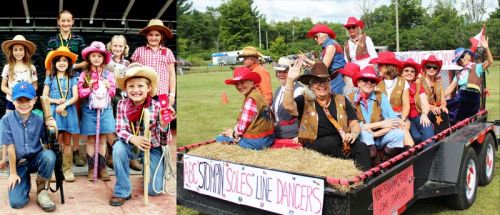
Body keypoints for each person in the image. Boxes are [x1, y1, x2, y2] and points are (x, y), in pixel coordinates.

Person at [283, 61, 371, 171]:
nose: (322, 85)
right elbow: (288, 106)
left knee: (361, 147)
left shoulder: (342, 99)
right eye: (317, 82)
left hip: (341, 142)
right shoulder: (304, 100)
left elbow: (354, 124)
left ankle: (367, 181)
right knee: (330, 142)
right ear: (311, 86)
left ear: (330, 83)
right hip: (315, 142)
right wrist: (290, 80)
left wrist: (353, 134)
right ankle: (345, 170)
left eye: (325, 81)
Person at [110, 63, 174, 206]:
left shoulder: (158, 107)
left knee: (154, 190)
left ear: (149, 88)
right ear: (126, 89)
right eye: (131, 86)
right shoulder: (122, 104)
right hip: (131, 145)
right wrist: (133, 138)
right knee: (118, 149)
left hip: (153, 147)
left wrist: (164, 124)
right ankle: (122, 191)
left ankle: (149, 172)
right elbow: (120, 130)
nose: (136, 90)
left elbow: (164, 141)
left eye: (140, 86)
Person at [2, 82, 58, 211]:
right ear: (13, 101)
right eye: (19, 100)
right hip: (19, 163)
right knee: (17, 203)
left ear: (34, 100)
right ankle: (24, 182)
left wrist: (54, 129)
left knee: (49, 156)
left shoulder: (39, 119)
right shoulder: (6, 120)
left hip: (35, 159)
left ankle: (42, 191)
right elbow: (10, 146)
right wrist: (13, 173)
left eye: (27, 100)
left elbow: (48, 143)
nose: (24, 104)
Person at [46, 9, 87, 167]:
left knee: (73, 118)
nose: (66, 23)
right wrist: (49, 79)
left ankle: (75, 150)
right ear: (58, 22)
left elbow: (86, 62)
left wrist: (71, 65)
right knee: (58, 123)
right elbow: (50, 63)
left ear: (73, 22)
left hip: (73, 80)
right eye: (63, 20)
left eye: (69, 20)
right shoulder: (52, 40)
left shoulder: (78, 39)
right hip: (57, 80)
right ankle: (59, 154)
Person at [346, 66, 405, 164]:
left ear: (375, 85)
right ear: (359, 83)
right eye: (365, 80)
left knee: (399, 134)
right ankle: (373, 162)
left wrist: (375, 134)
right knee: (365, 134)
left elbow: (393, 122)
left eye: (372, 81)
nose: (369, 83)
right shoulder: (349, 99)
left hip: (379, 136)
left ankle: (384, 159)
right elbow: (351, 126)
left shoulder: (381, 96)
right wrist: (380, 124)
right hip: (361, 138)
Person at [77, 41, 116, 181]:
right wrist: (90, 88)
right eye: (93, 55)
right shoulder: (84, 75)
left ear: (104, 58)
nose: (96, 58)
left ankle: (102, 167)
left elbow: (113, 93)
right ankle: (91, 167)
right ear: (89, 57)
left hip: (105, 110)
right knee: (91, 139)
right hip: (89, 110)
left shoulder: (108, 75)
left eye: (99, 56)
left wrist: (107, 87)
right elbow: (80, 93)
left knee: (103, 139)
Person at [42, 46, 80, 182]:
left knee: (67, 142)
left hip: (68, 112)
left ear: (69, 63)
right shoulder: (50, 78)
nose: (62, 63)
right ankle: (54, 170)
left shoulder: (73, 78)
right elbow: (44, 97)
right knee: (55, 142)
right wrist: (55, 100)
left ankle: (67, 170)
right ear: (54, 63)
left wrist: (64, 104)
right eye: (59, 60)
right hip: (54, 114)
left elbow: (76, 96)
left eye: (65, 60)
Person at [217, 67, 275, 150]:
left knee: (219, 138)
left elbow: (241, 128)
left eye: (242, 82)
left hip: (257, 141)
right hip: (269, 137)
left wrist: (232, 133)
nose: (239, 86)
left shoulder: (251, 99)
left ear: (252, 82)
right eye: (237, 84)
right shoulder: (258, 95)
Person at [445, 36, 493, 124]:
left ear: (468, 56)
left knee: (466, 118)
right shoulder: (458, 73)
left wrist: (486, 48)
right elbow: (450, 88)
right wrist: (440, 98)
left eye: (462, 56)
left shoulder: (477, 67)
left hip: (472, 99)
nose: (461, 60)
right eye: (459, 59)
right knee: (446, 107)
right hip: (461, 99)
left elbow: (490, 61)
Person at [371, 51, 414, 147]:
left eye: (381, 65)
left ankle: (408, 156)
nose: (378, 67)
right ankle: (411, 156)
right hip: (381, 118)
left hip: (399, 116)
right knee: (403, 129)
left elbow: (406, 104)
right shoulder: (375, 82)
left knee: (404, 126)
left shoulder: (402, 81)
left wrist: (402, 119)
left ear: (389, 66)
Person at [130, 19, 176, 106]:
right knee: (143, 118)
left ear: (161, 36)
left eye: (157, 35)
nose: (153, 38)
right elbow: (132, 73)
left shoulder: (168, 51)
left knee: (162, 118)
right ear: (146, 36)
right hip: (143, 93)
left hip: (162, 93)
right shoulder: (139, 51)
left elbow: (172, 74)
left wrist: (172, 94)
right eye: (150, 35)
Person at [302, 24, 347, 94]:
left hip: (337, 77)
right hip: (335, 76)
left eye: (316, 36)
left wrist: (306, 59)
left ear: (323, 35)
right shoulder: (329, 45)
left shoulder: (330, 46)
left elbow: (323, 66)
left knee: (337, 99)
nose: (315, 39)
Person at [271, 57, 303, 148]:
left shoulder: (299, 90)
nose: (281, 74)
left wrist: (301, 134)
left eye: (285, 72)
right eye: (279, 72)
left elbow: (305, 115)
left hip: (292, 132)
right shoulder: (278, 90)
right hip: (279, 130)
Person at [1, 35, 38, 113]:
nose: (18, 52)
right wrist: (14, 93)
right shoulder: (7, 67)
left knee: (25, 123)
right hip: (11, 101)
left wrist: (26, 93)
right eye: (15, 50)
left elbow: (35, 86)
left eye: (21, 49)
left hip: (26, 102)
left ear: (25, 51)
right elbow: (3, 86)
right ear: (12, 51)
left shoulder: (32, 68)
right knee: (10, 122)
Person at [401, 58, 433, 144]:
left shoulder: (418, 85)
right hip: (404, 118)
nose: (409, 73)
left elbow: (425, 103)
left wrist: (424, 114)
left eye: (412, 71)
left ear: (415, 74)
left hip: (417, 116)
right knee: (416, 137)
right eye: (406, 70)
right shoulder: (397, 85)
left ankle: (430, 154)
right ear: (401, 72)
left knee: (427, 125)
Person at [419, 55, 449, 132]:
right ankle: (439, 141)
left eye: (434, 67)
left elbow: (443, 99)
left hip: (438, 109)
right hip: (425, 110)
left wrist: (443, 106)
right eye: (429, 67)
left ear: (437, 70)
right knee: (438, 115)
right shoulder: (419, 81)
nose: (432, 69)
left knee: (444, 113)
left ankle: (444, 139)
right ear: (425, 69)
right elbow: (418, 101)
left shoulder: (439, 83)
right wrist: (431, 107)